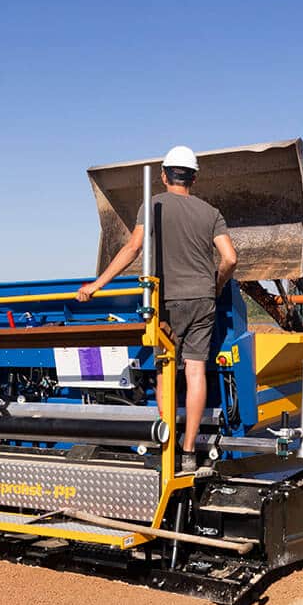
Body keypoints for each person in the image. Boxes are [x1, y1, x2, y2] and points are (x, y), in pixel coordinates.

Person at [76, 145, 237, 472]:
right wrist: (216, 286)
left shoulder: (152, 206)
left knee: (167, 374)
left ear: (163, 175)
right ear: (193, 177)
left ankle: (167, 447)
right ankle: (190, 451)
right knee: (195, 373)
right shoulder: (212, 213)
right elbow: (231, 258)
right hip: (203, 300)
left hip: (166, 302)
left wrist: (96, 285)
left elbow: (132, 248)